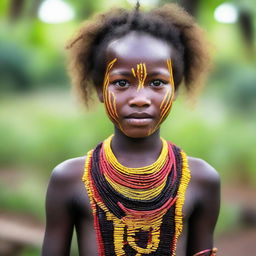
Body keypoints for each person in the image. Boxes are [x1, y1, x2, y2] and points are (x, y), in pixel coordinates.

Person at [42, 2, 220, 256]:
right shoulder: (68, 179)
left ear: (176, 89)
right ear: (99, 89)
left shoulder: (202, 180)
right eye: (121, 82)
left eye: (157, 82)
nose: (140, 98)